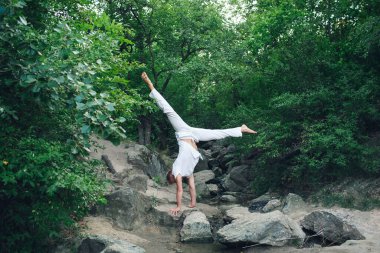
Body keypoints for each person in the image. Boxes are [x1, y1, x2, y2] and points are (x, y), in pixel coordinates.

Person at [141, 72, 257, 216]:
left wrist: (178, 206)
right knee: (215, 133)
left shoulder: (177, 172)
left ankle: (149, 84)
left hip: (184, 132)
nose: (173, 181)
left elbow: (180, 190)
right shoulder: (187, 172)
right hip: (192, 138)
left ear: (170, 175)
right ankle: (240, 129)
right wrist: (192, 203)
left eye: (170, 179)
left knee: (168, 110)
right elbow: (191, 187)